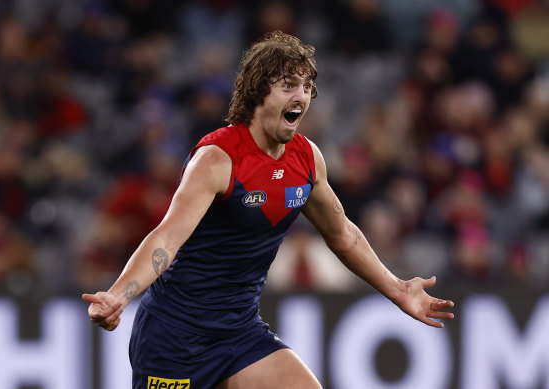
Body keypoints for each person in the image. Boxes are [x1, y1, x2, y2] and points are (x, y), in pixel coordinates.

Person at [82, 31, 455, 389]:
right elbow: (167, 238)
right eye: (289, 85)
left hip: (240, 333)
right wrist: (119, 295)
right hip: (176, 338)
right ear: (260, 90)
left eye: (307, 87)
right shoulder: (218, 158)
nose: (302, 95)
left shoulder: (307, 160)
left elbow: (343, 235)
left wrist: (398, 289)